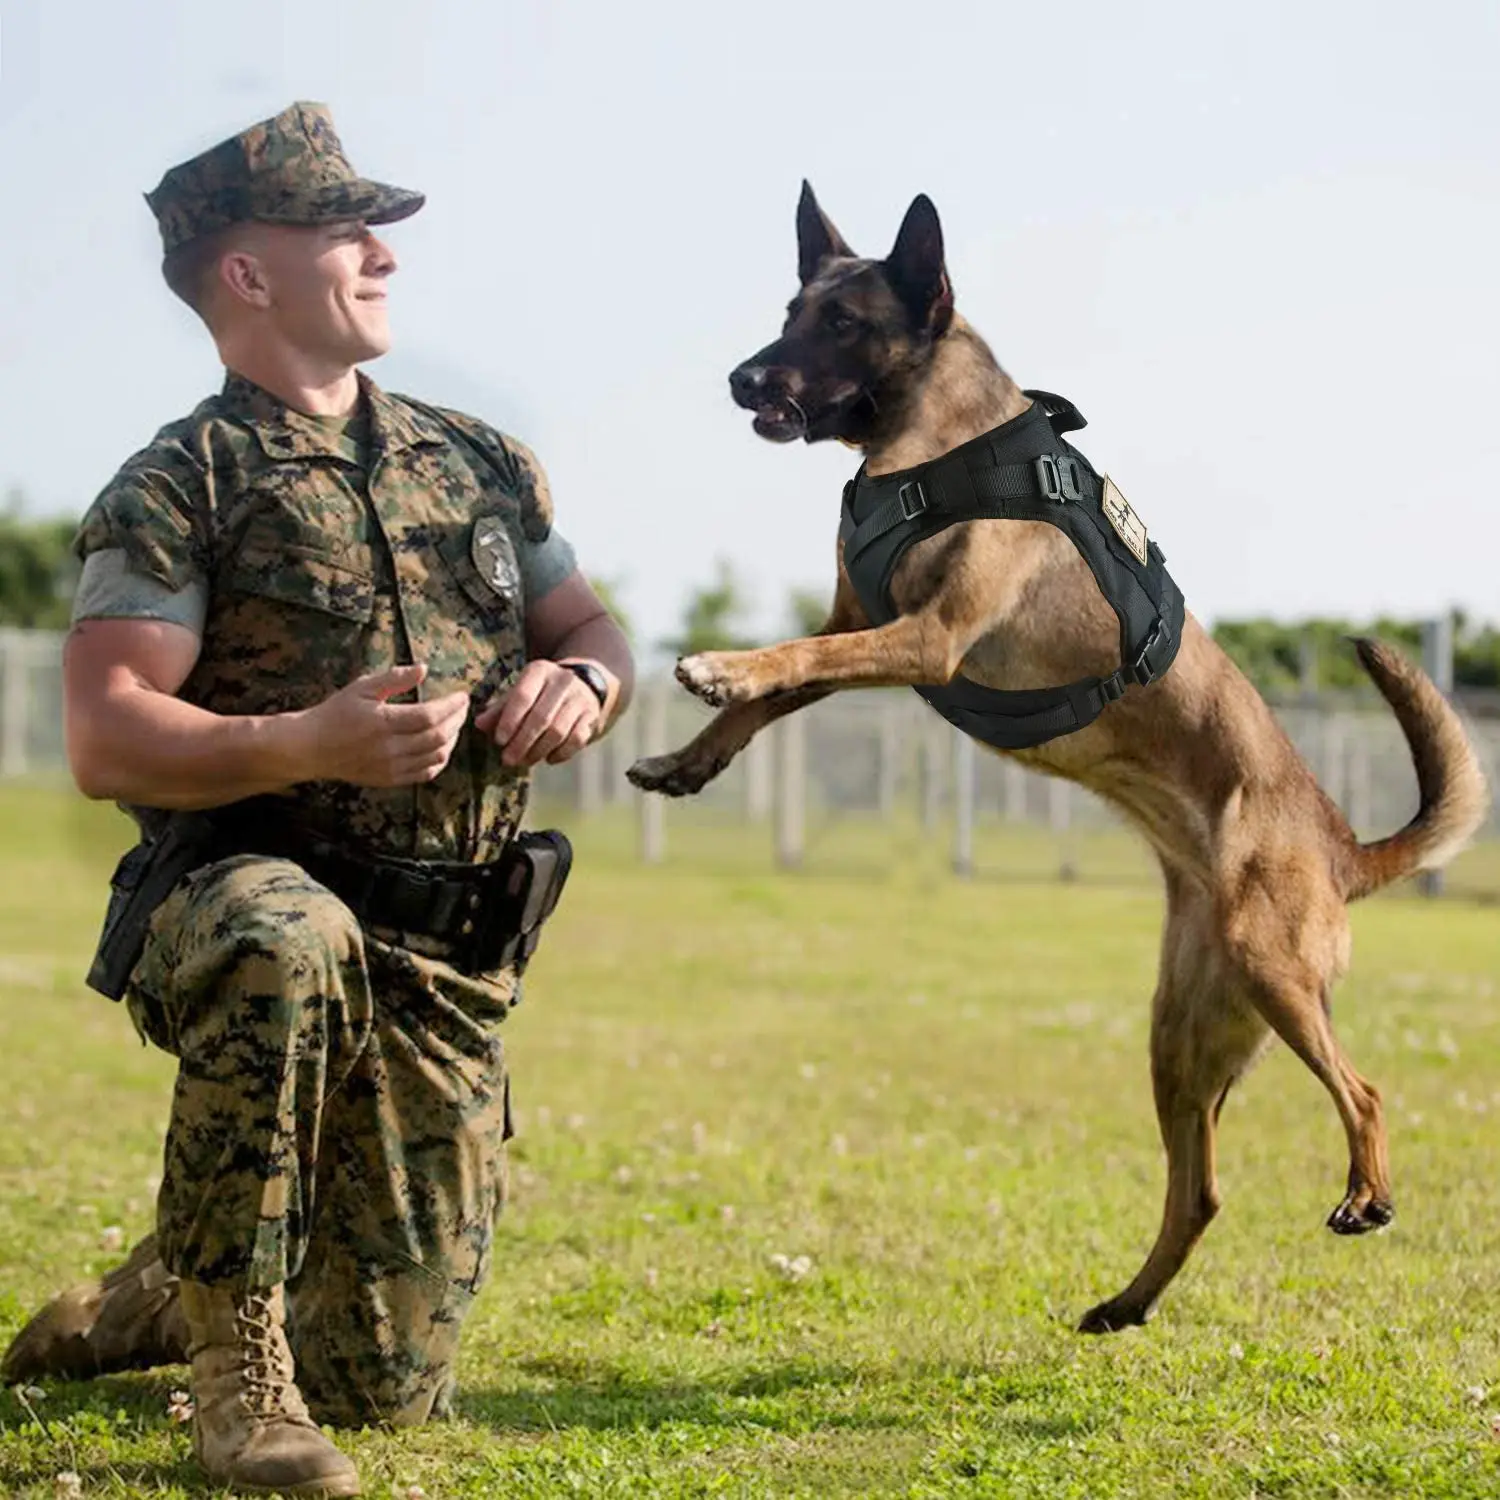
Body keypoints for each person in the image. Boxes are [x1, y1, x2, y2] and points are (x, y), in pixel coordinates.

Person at [0, 102, 633, 1498]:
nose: (383, 253)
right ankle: (237, 1378)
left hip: (440, 952)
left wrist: (582, 687)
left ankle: (162, 1293)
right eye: (347, 227)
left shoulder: (480, 461)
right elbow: (108, 736)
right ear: (247, 273)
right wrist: (309, 742)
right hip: (245, 894)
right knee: (289, 936)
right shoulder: (180, 487)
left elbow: (594, 633)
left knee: (390, 1388)